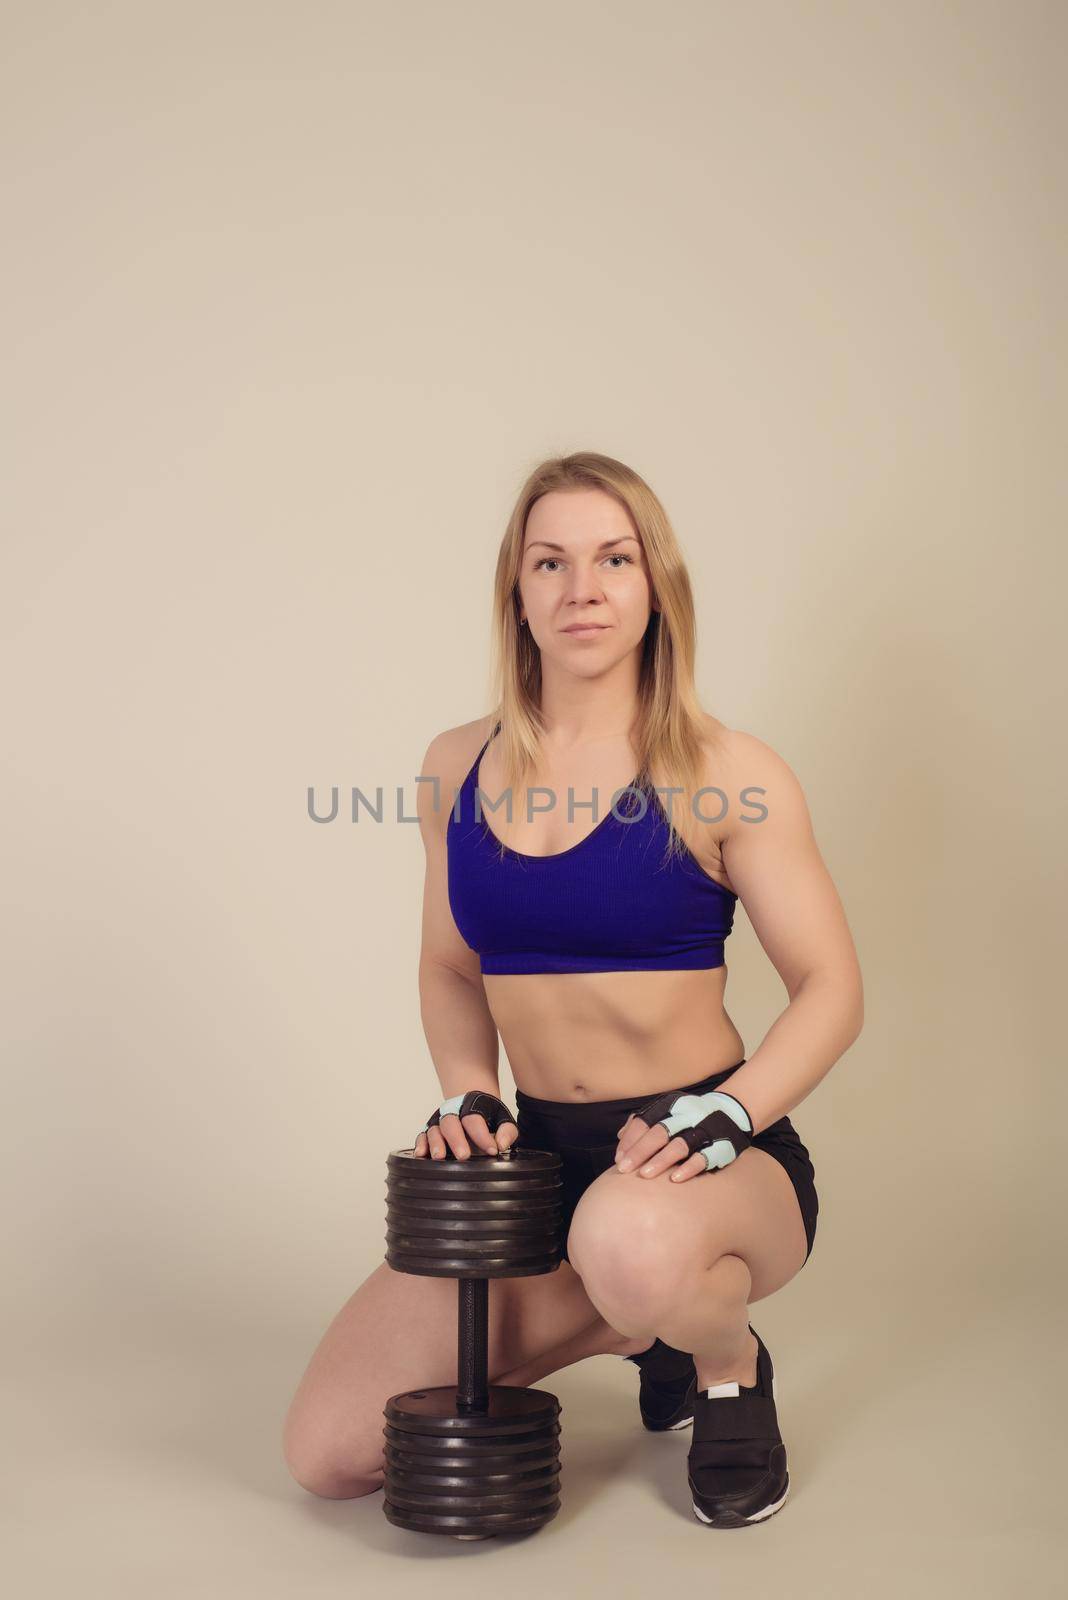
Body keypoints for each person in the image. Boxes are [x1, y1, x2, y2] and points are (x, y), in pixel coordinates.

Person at [283, 451, 864, 1527]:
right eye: (550, 561)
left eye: (613, 558)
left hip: (707, 1156)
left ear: (657, 588)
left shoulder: (727, 772)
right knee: (329, 1452)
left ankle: (722, 1358)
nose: (582, 588)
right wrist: (468, 1091)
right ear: (517, 589)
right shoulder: (455, 766)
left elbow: (831, 986)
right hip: (540, 1172)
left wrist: (730, 1115)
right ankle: (646, 1320)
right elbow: (452, 963)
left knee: (630, 1239)